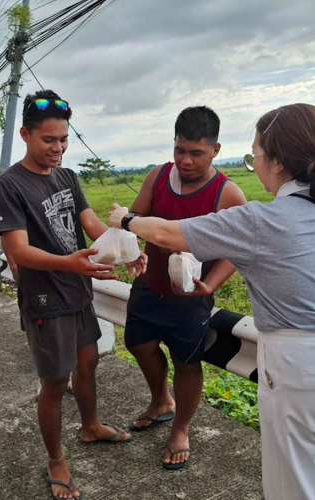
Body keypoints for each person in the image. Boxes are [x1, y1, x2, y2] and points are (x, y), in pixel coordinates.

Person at [109, 103, 315, 500]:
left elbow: (166, 234)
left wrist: (124, 220)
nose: (255, 166)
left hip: (308, 371)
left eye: (255, 157)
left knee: (297, 489)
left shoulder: (259, 221)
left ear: (277, 163)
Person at [0, 89, 146, 500]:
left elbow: (90, 222)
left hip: (77, 289)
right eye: (48, 140)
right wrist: (70, 263)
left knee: (89, 363)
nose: (57, 148)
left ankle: (91, 426)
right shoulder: (8, 186)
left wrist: (126, 249)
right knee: (55, 383)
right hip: (45, 299)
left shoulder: (67, 177)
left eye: (63, 140)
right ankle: (56, 459)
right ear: (25, 134)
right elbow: (18, 250)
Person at [123, 106, 246, 470]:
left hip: (191, 296)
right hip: (149, 286)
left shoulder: (227, 193)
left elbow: (237, 249)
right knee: (139, 345)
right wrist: (132, 248)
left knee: (187, 364)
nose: (185, 161)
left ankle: (181, 427)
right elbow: (134, 220)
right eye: (180, 151)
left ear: (216, 150)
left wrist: (209, 285)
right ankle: (161, 400)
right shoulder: (158, 177)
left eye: (196, 153)